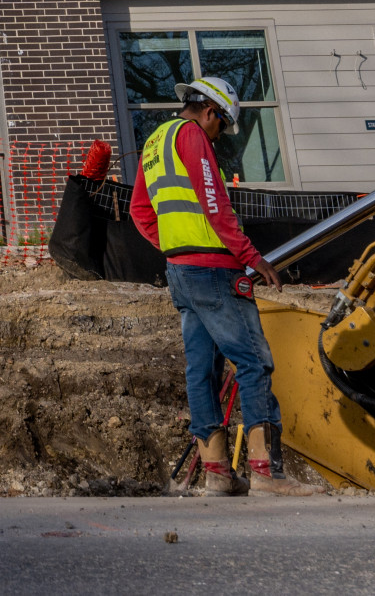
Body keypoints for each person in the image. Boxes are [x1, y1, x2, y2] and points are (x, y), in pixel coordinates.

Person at [129, 76, 316, 497]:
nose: (219, 136)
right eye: (222, 125)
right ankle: (267, 474)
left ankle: (217, 473)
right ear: (210, 111)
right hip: (215, 270)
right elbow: (214, 201)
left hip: (181, 270)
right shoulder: (192, 136)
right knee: (253, 362)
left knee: (202, 370)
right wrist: (252, 257)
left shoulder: (155, 141)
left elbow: (140, 210)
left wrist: (175, 247)